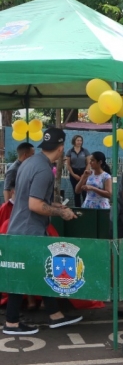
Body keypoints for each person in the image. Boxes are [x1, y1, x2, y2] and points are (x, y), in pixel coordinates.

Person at [4, 127, 82, 335]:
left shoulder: (29, 162)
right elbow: (35, 205)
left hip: (20, 227)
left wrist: (56, 206)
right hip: (30, 229)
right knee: (28, 274)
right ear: (61, 148)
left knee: (39, 271)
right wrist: (62, 214)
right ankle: (12, 322)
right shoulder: (44, 170)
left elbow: (31, 198)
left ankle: (55, 315)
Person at [65, 135, 91, 207]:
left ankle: (86, 208)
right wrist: (73, 174)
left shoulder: (85, 151)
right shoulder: (70, 151)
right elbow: (68, 165)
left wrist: (84, 174)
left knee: (84, 192)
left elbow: (88, 163)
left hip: (83, 172)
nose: (79, 142)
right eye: (78, 140)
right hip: (74, 172)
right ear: (74, 141)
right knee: (76, 192)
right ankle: (78, 208)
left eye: (80, 140)